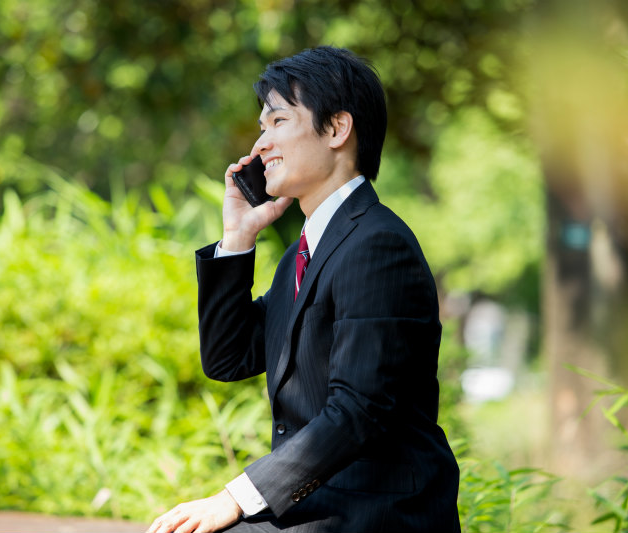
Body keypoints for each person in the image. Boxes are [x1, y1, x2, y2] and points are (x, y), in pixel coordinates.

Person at [147, 46, 460, 533]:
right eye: (262, 126)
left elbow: (358, 411)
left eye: (277, 122)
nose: (259, 144)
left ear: (337, 129)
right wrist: (238, 238)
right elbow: (230, 358)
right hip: (316, 511)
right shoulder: (307, 251)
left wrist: (234, 498)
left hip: (374, 516)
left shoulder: (377, 246)